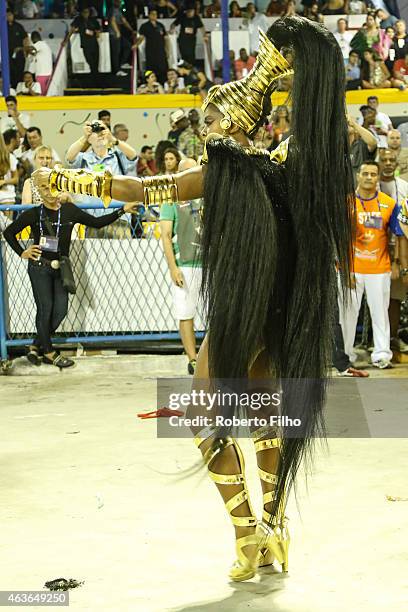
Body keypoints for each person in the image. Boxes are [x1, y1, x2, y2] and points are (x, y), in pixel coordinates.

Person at [35, 16, 354, 582]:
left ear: (225, 126)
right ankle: (274, 526)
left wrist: (67, 179)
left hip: (241, 317)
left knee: (203, 419)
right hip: (276, 320)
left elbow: (134, 190)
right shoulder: (284, 167)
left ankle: (247, 534)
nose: (200, 129)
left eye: (206, 120)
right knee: (265, 417)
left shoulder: (217, 174)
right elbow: (321, 129)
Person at [3, 185, 140, 369]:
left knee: (60, 310)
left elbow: (97, 223)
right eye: (44, 190)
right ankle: (50, 353)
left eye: (52, 188)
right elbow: (9, 232)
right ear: (39, 193)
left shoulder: (69, 210)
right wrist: (22, 252)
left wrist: (122, 209)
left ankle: (36, 345)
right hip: (39, 266)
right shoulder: (34, 213)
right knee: (45, 309)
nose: (49, 193)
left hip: (61, 267)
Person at [339, 161, 400, 369]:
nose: (369, 177)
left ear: (377, 177)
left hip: (379, 268)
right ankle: (345, 355)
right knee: (347, 314)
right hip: (352, 269)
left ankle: (382, 355)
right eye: (365, 173)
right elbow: (338, 237)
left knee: (380, 313)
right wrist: (341, 266)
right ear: (358, 176)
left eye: (373, 174)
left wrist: (397, 263)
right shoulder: (345, 203)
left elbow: (397, 235)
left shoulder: (389, 203)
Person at [160, 158, 203, 374]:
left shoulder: (209, 196)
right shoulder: (171, 199)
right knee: (186, 312)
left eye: (195, 170)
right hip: (185, 264)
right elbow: (166, 236)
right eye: (187, 171)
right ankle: (192, 359)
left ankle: (212, 358)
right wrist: (172, 267)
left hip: (211, 264)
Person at [65, 120, 137, 237]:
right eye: (95, 131)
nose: (99, 134)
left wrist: (113, 139)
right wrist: (84, 138)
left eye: (102, 130)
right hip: (93, 220)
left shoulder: (118, 156)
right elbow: (69, 157)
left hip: (119, 218)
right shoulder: (84, 158)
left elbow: (133, 155)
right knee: (94, 255)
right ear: (89, 138)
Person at [378, 148, 408, 353]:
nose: (388, 163)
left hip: (397, 247)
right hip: (372, 248)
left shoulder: (404, 187)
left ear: (397, 164)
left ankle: (392, 337)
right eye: (384, 160)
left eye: (391, 160)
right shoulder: (367, 183)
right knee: (375, 297)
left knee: (394, 296)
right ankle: (375, 340)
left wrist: (400, 259)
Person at [138, 9, 168, 84]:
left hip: (161, 50)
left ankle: (163, 84)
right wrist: (136, 44)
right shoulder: (144, 26)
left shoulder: (160, 25)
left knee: (162, 68)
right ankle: (151, 84)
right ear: (149, 15)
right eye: (152, 14)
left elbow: (166, 38)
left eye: (155, 14)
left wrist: (167, 49)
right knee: (151, 68)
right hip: (151, 50)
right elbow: (141, 37)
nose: (154, 16)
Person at [70, 6, 101, 76]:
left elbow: (98, 30)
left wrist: (96, 33)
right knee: (90, 61)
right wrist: (66, 40)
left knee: (96, 62)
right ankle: (94, 75)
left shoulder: (93, 20)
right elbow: (72, 29)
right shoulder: (79, 20)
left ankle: (96, 76)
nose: (85, 14)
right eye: (84, 12)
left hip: (94, 44)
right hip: (85, 44)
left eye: (87, 12)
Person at [348, 114, 377, 184]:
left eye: (349, 122)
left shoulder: (362, 144)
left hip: (360, 191)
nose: (348, 124)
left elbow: (372, 142)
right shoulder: (337, 147)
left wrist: (354, 124)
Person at [108, 0, 135, 76]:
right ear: (115, 2)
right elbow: (112, 21)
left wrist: (131, 30)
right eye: (118, 2)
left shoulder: (119, 11)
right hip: (114, 34)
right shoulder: (113, 10)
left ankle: (123, 63)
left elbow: (124, 21)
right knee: (116, 52)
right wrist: (117, 32)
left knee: (128, 46)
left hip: (119, 34)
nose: (120, 3)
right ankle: (117, 70)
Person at [7, 8, 29, 89]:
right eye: (6, 15)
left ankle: (19, 88)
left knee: (19, 71)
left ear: (13, 15)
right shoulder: (3, 27)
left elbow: (25, 39)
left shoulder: (19, 26)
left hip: (19, 53)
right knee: (9, 71)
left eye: (10, 15)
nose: (8, 17)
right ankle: (11, 88)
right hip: (7, 54)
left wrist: (25, 50)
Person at [0, 133, 18, 209]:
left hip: (6, 197)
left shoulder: (10, 157)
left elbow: (16, 179)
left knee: (7, 221)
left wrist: (4, 182)